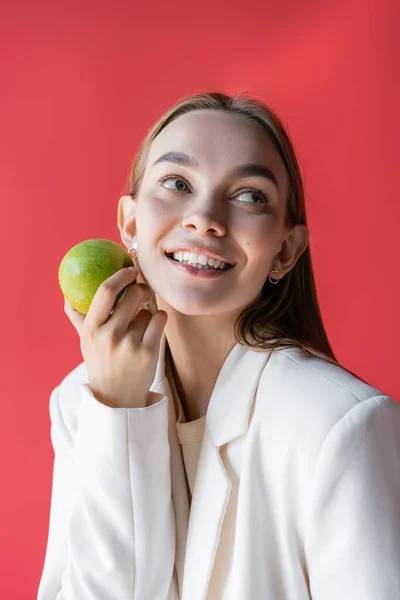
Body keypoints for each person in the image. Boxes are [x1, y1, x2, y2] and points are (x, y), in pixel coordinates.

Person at [37, 91, 400, 600]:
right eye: (177, 183)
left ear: (286, 250)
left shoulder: (340, 425)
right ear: (130, 224)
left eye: (250, 195)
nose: (204, 216)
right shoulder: (81, 405)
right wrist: (116, 411)